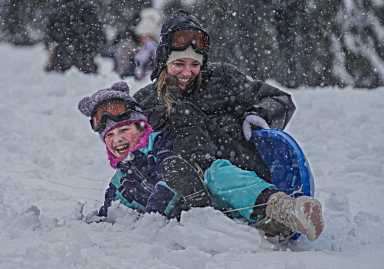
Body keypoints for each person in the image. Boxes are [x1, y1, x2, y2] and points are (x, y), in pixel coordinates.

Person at [78, 81, 324, 241]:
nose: (118, 139)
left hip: (206, 191)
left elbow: (170, 178)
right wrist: (97, 220)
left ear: (141, 125)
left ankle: (283, 208)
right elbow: (111, 207)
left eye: (124, 131)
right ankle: (271, 227)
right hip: (199, 218)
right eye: (109, 136)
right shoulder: (121, 179)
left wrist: (152, 217)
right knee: (227, 215)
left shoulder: (160, 143)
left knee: (219, 172)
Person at [133, 11, 296, 183]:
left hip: (243, 177)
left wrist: (259, 115)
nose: (187, 73)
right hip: (182, 189)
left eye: (195, 64)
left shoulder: (223, 79)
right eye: (178, 64)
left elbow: (280, 100)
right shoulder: (147, 100)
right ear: (164, 62)